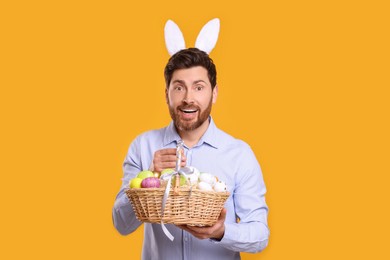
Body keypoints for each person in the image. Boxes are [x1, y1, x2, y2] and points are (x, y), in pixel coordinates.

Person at [112, 47, 270, 259]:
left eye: (198, 87)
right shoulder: (143, 147)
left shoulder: (239, 154)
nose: (188, 98)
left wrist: (222, 232)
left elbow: (260, 235)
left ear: (214, 93)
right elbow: (121, 224)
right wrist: (150, 178)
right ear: (166, 94)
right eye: (179, 88)